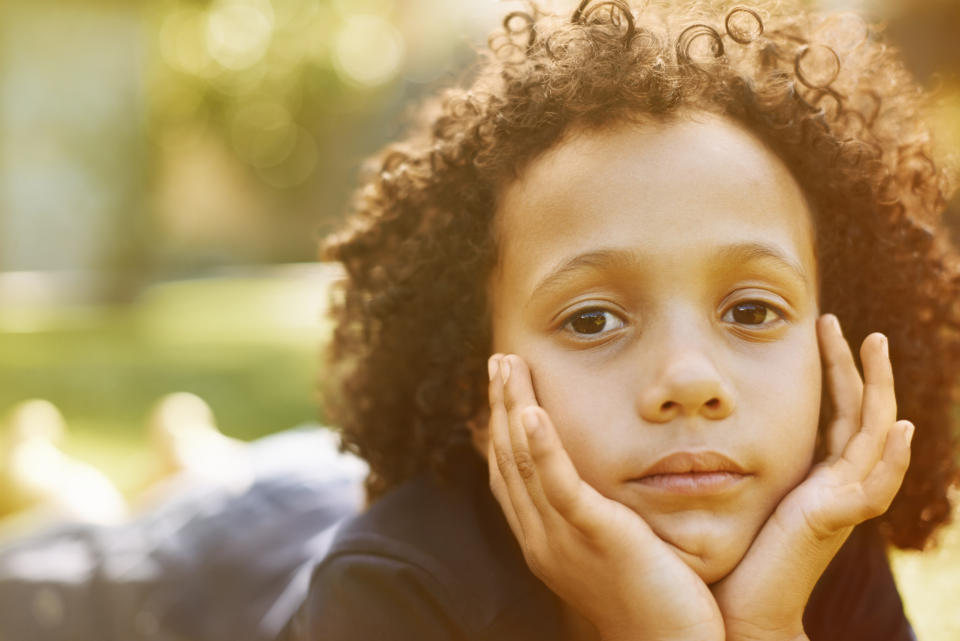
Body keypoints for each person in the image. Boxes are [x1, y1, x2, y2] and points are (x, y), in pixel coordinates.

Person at [282, 1, 960, 640]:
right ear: (474, 385)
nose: (690, 378)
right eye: (593, 319)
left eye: (751, 310)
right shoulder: (392, 587)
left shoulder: (824, 534)